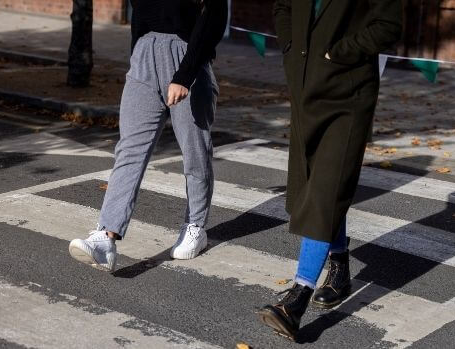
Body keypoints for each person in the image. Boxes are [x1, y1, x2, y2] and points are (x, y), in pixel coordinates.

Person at [257, 0, 403, 341]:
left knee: (325, 190)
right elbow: (282, 6)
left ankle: (295, 301)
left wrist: (339, 53)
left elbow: (388, 25)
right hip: (305, 89)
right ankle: (339, 267)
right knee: (317, 185)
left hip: (347, 95)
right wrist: (291, 46)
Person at [68, 0, 228, 272]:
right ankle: (106, 238)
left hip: (188, 54)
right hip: (144, 58)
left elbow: (214, 16)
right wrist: (138, 55)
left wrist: (185, 74)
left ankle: (196, 226)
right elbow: (140, 13)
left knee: (195, 151)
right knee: (129, 150)